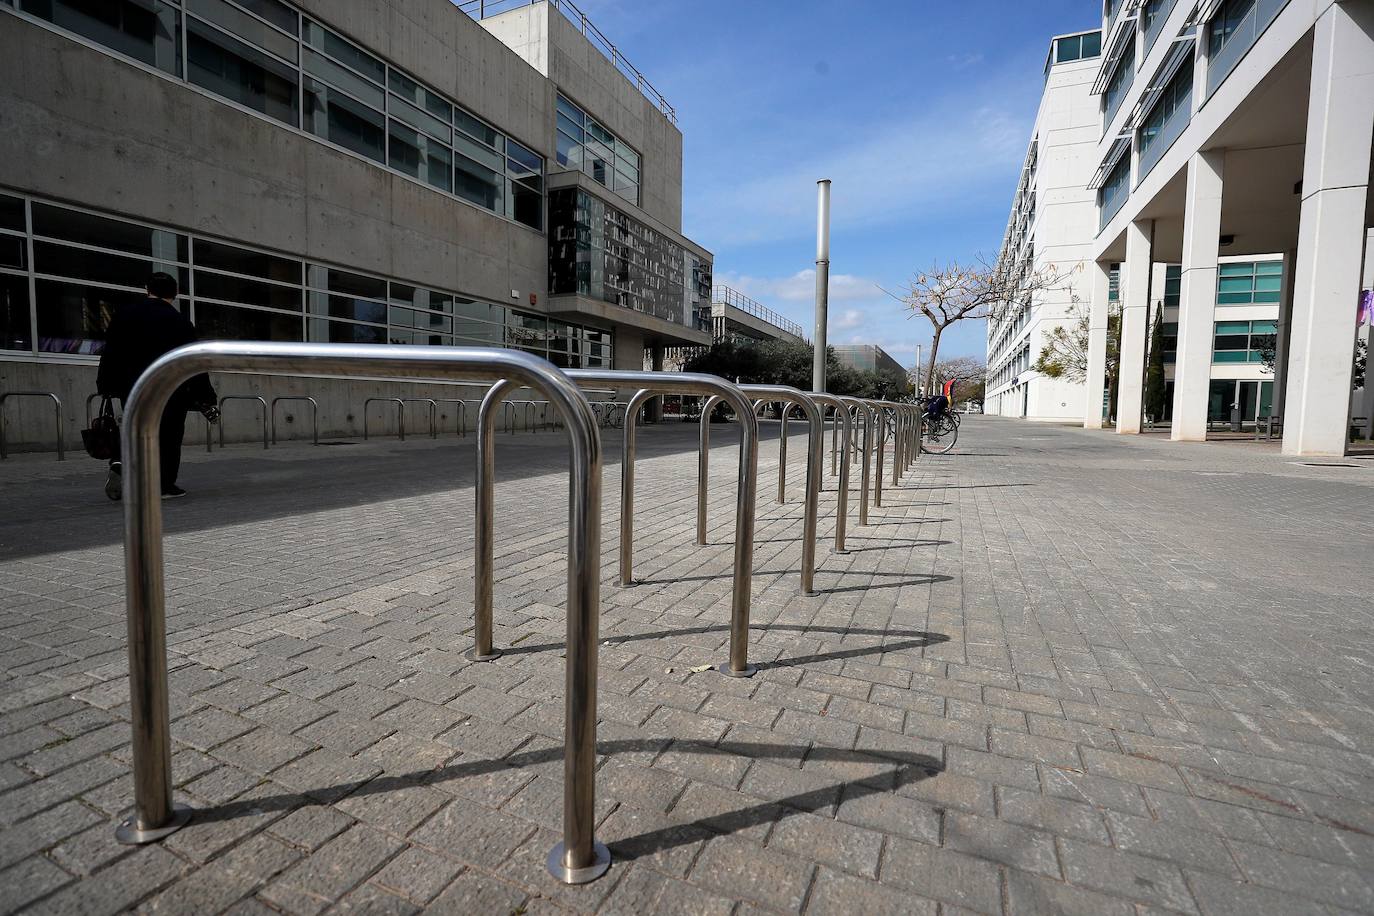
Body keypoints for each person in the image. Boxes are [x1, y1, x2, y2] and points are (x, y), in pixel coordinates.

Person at [97, 272, 218, 501]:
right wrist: (206, 396)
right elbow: (193, 361)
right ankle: (163, 485)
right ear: (175, 294)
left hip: (132, 385)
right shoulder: (179, 322)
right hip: (169, 387)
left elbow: (110, 352)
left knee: (136, 427)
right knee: (168, 436)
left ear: (147, 289)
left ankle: (122, 461)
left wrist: (105, 384)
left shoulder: (124, 315)